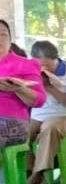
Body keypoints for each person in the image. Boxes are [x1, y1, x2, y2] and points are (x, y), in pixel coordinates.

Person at [25, 41, 66, 184]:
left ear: (56, 59)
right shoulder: (31, 72)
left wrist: (49, 86)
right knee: (20, 135)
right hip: (38, 116)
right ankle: (31, 171)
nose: (43, 70)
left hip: (65, 116)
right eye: (40, 66)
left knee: (50, 128)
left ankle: (39, 172)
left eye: (48, 66)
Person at [0, 20, 46, 162]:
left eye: (3, 34)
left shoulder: (24, 64)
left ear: (10, 39)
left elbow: (39, 100)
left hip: (12, 123)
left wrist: (18, 89)